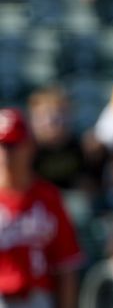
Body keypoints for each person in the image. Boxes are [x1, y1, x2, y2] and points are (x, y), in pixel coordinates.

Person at [0, 108, 82, 308]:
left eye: (12, 145)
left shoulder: (48, 197)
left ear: (29, 146)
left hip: (37, 297)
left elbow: (66, 265)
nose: (5, 154)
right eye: (1, 145)